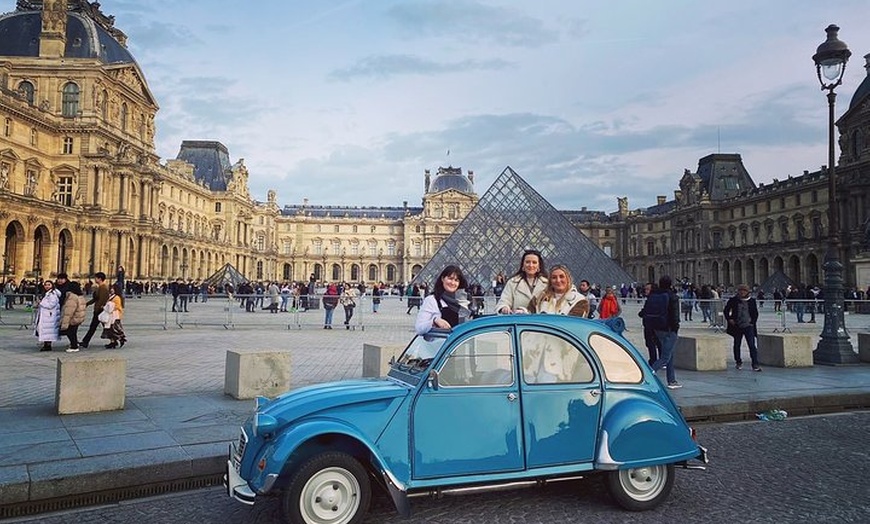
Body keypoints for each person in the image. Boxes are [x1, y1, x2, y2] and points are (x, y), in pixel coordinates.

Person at [647, 275, 682, 389]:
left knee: (669, 353)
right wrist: (675, 328)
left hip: (657, 328)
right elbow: (675, 314)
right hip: (669, 328)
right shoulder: (672, 296)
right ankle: (646, 375)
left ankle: (671, 380)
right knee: (665, 357)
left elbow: (645, 310)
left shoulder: (654, 295)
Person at [415, 265, 470, 335]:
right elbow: (419, 328)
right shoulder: (431, 300)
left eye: (456, 280)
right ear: (443, 279)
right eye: (450, 278)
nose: (453, 283)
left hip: (461, 344)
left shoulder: (465, 301)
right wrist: (434, 321)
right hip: (440, 344)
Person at [496, 249, 548, 314]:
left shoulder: (547, 284)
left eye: (534, 262)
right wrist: (504, 307)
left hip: (541, 322)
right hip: (519, 322)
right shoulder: (512, 283)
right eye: (527, 262)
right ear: (523, 265)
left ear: (539, 266)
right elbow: (504, 300)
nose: (530, 265)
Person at [723, 283, 761, 372]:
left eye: (744, 290)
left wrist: (752, 322)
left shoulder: (752, 301)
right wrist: (729, 319)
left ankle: (755, 363)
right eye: (740, 290)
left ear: (747, 292)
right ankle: (738, 361)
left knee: (752, 345)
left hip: (748, 326)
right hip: (737, 326)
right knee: (737, 345)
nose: (742, 292)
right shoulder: (733, 300)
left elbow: (755, 313)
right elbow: (726, 310)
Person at [80, 272, 110, 349]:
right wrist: (87, 304)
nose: (95, 279)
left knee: (95, 327)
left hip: (100, 310)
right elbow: (96, 298)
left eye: (96, 278)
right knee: (97, 327)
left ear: (99, 279)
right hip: (99, 310)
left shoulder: (103, 287)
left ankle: (117, 338)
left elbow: (102, 300)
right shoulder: (100, 287)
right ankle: (85, 342)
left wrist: (97, 309)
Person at [638, 282, 662, 365]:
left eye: (647, 289)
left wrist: (642, 313)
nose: (645, 291)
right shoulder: (657, 298)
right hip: (657, 324)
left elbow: (647, 311)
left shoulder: (651, 299)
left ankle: (653, 360)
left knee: (650, 343)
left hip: (649, 324)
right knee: (658, 343)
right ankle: (660, 360)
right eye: (645, 289)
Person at [60, 280, 87, 352]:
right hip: (78, 317)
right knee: (73, 332)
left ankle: (74, 346)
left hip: (73, 317)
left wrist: (65, 321)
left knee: (70, 332)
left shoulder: (72, 296)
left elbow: (69, 310)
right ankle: (74, 344)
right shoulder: (80, 296)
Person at [34, 279, 62, 351]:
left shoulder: (52, 294)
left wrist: (40, 303)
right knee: (46, 331)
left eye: (48, 285)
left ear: (52, 285)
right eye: (45, 285)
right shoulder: (47, 293)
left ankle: (47, 345)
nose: (46, 286)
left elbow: (51, 305)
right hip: (47, 315)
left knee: (48, 331)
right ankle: (46, 344)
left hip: (49, 316)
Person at [101, 284, 126, 348]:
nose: (111, 290)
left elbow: (116, 306)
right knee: (110, 329)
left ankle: (120, 339)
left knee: (114, 329)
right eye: (111, 288)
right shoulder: (111, 296)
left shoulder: (117, 297)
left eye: (113, 288)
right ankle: (113, 341)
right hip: (111, 316)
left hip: (115, 316)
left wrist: (105, 307)